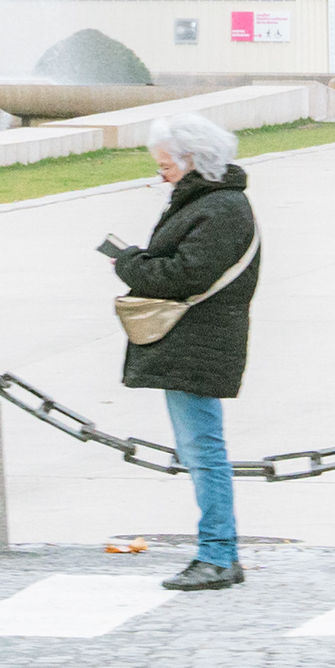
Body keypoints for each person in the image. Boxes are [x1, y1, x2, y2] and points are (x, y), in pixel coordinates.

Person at [97, 113, 262, 591]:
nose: (161, 173)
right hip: (195, 342)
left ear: (193, 161)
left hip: (200, 343)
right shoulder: (209, 202)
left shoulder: (221, 208)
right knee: (200, 449)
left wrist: (128, 262)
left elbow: (182, 275)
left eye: (165, 165)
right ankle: (218, 552)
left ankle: (218, 555)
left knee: (204, 451)